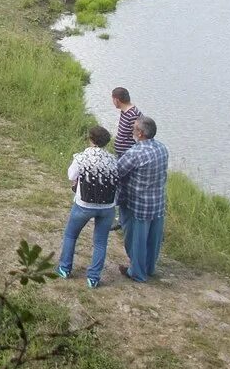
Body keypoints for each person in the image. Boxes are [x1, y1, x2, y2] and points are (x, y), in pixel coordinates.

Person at [56, 125, 119, 288]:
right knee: (100, 242)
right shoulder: (113, 159)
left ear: (90, 139)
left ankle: (65, 268)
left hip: (84, 204)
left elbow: (71, 175)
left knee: (71, 235)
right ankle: (93, 278)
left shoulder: (82, 157)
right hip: (107, 206)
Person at [117, 116, 169, 282]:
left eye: (134, 128)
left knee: (136, 239)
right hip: (158, 201)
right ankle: (150, 268)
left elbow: (118, 171)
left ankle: (137, 272)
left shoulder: (135, 153)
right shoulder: (162, 148)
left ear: (140, 133)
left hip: (138, 203)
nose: (132, 131)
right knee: (154, 238)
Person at [112, 87, 142, 157]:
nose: (113, 102)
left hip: (129, 156)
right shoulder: (124, 111)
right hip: (121, 154)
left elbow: (140, 136)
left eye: (113, 99)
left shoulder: (133, 115)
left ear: (117, 100)